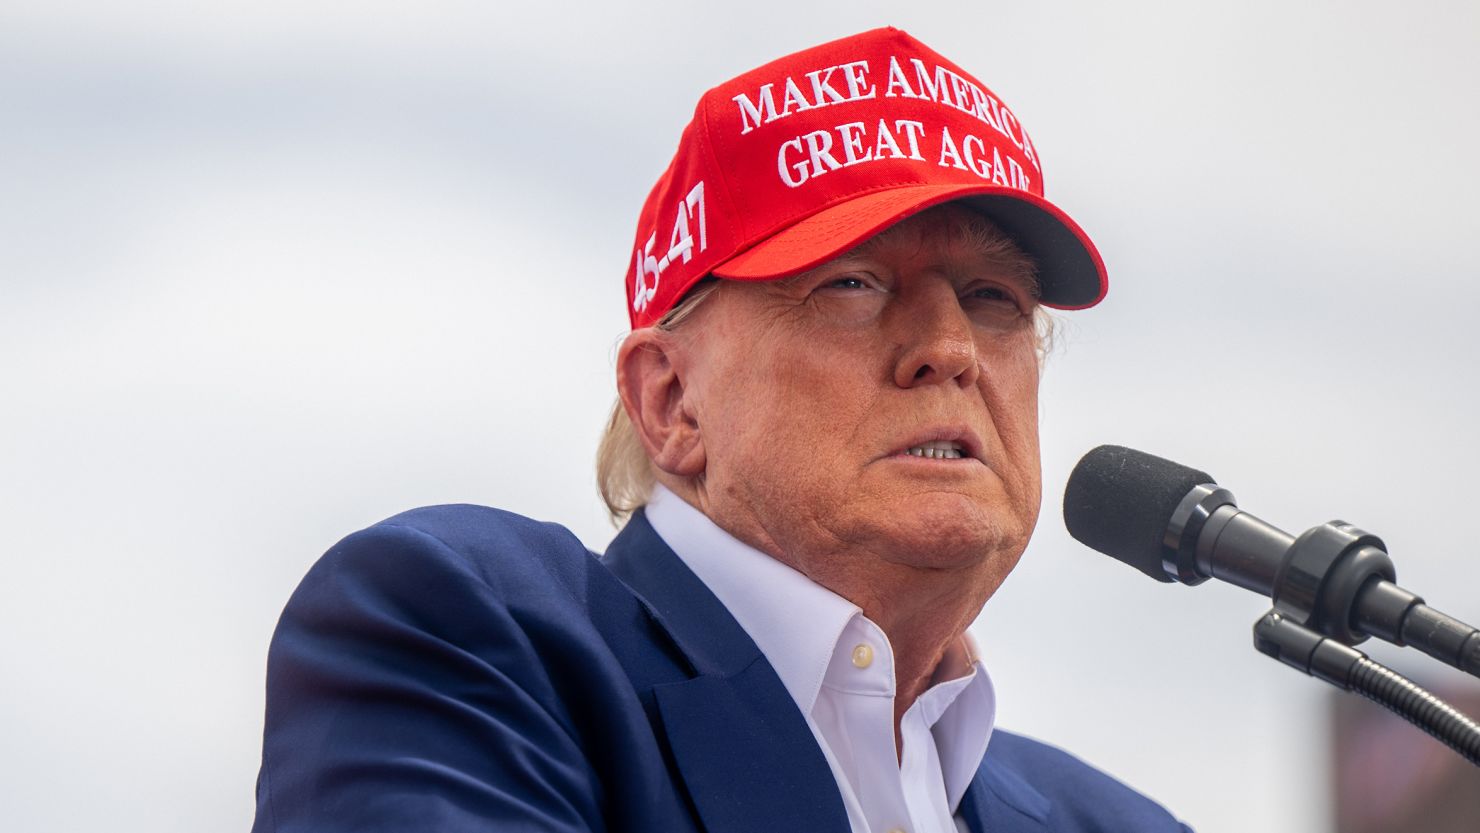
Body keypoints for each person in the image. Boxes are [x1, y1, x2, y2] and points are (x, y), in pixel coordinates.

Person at [251, 27, 1193, 833]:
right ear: (669, 399)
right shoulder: (464, 637)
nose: (948, 348)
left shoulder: (1120, 821)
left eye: (995, 299)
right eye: (853, 285)